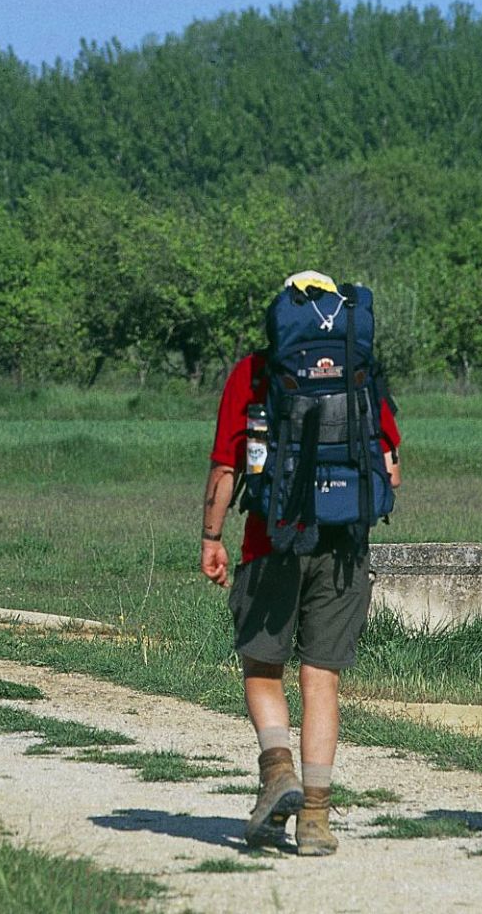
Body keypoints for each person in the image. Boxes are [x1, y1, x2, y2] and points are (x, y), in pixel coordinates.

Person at [199, 271, 402, 856]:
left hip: (272, 541)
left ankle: (277, 769)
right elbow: (389, 468)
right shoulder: (360, 370)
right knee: (322, 682)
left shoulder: (255, 372)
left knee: (264, 669)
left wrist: (211, 537)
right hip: (343, 547)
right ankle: (315, 818)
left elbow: (225, 468)